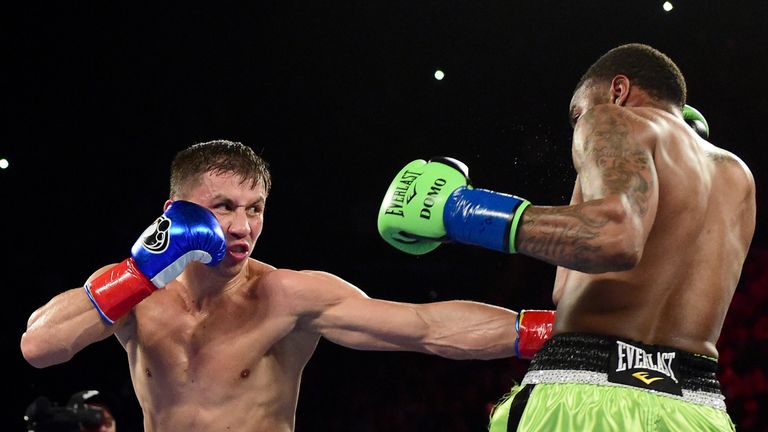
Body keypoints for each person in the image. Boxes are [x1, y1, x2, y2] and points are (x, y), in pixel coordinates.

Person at [21, 139, 536, 432]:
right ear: (174, 215)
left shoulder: (286, 296)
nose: (243, 228)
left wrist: (550, 332)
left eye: (255, 209)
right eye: (223, 207)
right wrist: (136, 273)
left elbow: (422, 327)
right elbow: (40, 347)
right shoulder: (136, 292)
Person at [377, 43, 756, 431]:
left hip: (584, 396)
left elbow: (614, 237)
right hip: (699, 409)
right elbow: (574, 286)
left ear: (618, 91)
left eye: (578, 115)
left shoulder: (611, 119)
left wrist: (461, 212)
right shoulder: (737, 174)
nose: (579, 130)